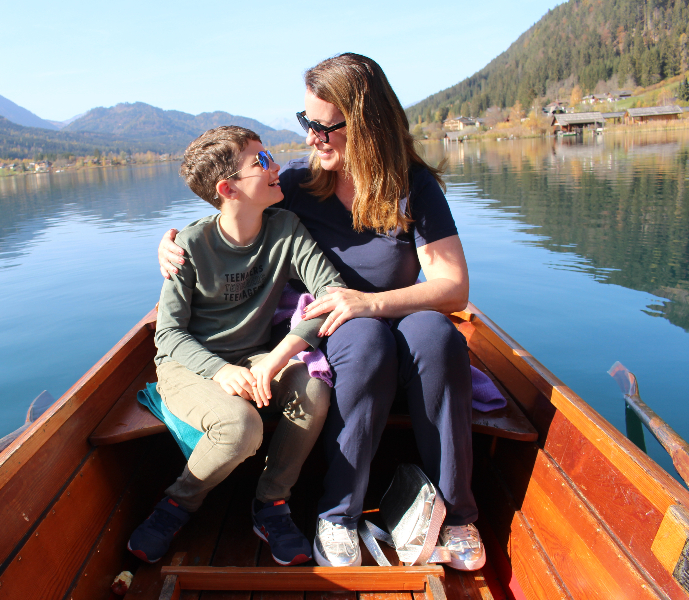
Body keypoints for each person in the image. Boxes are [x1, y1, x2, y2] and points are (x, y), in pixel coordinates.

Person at [157, 54, 484, 571]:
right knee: (364, 339)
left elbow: (453, 286)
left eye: (324, 127)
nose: (311, 137)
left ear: (367, 126)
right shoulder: (298, 184)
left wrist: (371, 302)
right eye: (305, 122)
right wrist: (170, 242)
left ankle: (459, 512)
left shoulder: (411, 186)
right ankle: (338, 514)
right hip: (338, 332)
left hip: (395, 316)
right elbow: (231, 212)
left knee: (437, 336)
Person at [129, 125, 347, 567]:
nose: (276, 168)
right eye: (261, 162)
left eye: (271, 157)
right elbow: (168, 334)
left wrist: (277, 358)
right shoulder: (189, 245)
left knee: (314, 388)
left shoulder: (286, 228)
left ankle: (272, 505)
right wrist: (220, 371)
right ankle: (177, 504)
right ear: (227, 189)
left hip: (255, 353)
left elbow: (331, 293)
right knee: (241, 426)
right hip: (187, 364)